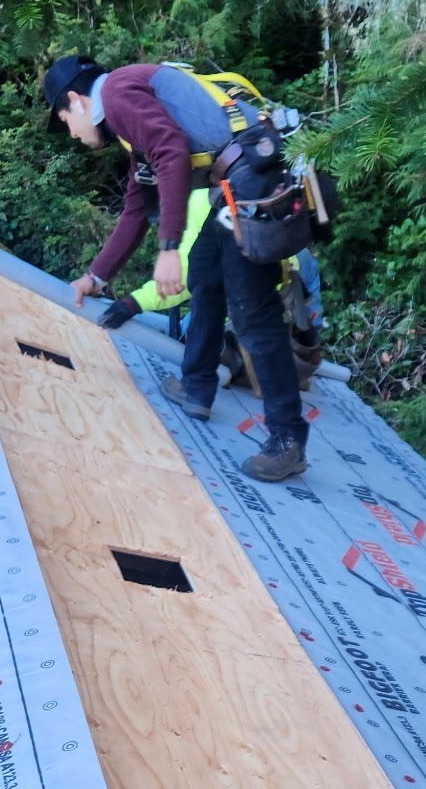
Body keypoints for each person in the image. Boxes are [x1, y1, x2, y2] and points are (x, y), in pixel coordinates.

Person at [43, 53, 309, 483]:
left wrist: (168, 247)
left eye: (65, 121)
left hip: (250, 183)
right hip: (239, 184)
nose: (73, 135)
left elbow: (170, 151)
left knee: (253, 313)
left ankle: (287, 439)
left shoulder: (116, 92)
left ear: (76, 99)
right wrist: (97, 277)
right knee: (204, 272)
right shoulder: (130, 121)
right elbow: (136, 207)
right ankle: (197, 383)